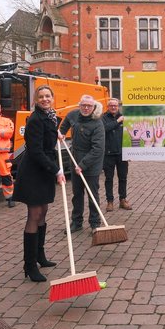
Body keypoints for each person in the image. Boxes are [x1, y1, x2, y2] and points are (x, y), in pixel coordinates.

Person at [13, 85, 65, 282]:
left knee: (43, 211)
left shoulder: (49, 117)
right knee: (34, 215)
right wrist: (56, 169)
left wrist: (56, 134)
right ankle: (29, 264)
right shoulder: (35, 119)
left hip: (44, 170)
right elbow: (35, 151)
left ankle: (40, 255)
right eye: (41, 97)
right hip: (34, 171)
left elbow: (47, 135)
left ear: (53, 98)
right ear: (36, 99)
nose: (45, 99)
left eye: (48, 96)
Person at [59, 95, 106, 233]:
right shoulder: (74, 114)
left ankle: (95, 224)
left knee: (92, 195)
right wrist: (61, 133)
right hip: (75, 160)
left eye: (89, 106)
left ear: (94, 107)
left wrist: (83, 165)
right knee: (77, 194)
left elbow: (98, 149)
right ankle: (77, 222)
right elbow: (65, 122)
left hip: (91, 165)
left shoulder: (97, 124)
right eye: (83, 105)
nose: (86, 108)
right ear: (79, 105)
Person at [102, 98, 131, 211]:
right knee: (109, 179)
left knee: (123, 178)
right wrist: (118, 121)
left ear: (118, 106)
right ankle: (110, 201)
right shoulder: (103, 118)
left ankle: (122, 200)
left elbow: (129, 135)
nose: (113, 107)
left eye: (115, 105)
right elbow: (104, 129)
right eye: (111, 105)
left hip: (122, 154)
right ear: (108, 107)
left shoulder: (125, 117)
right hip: (108, 154)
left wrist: (130, 152)